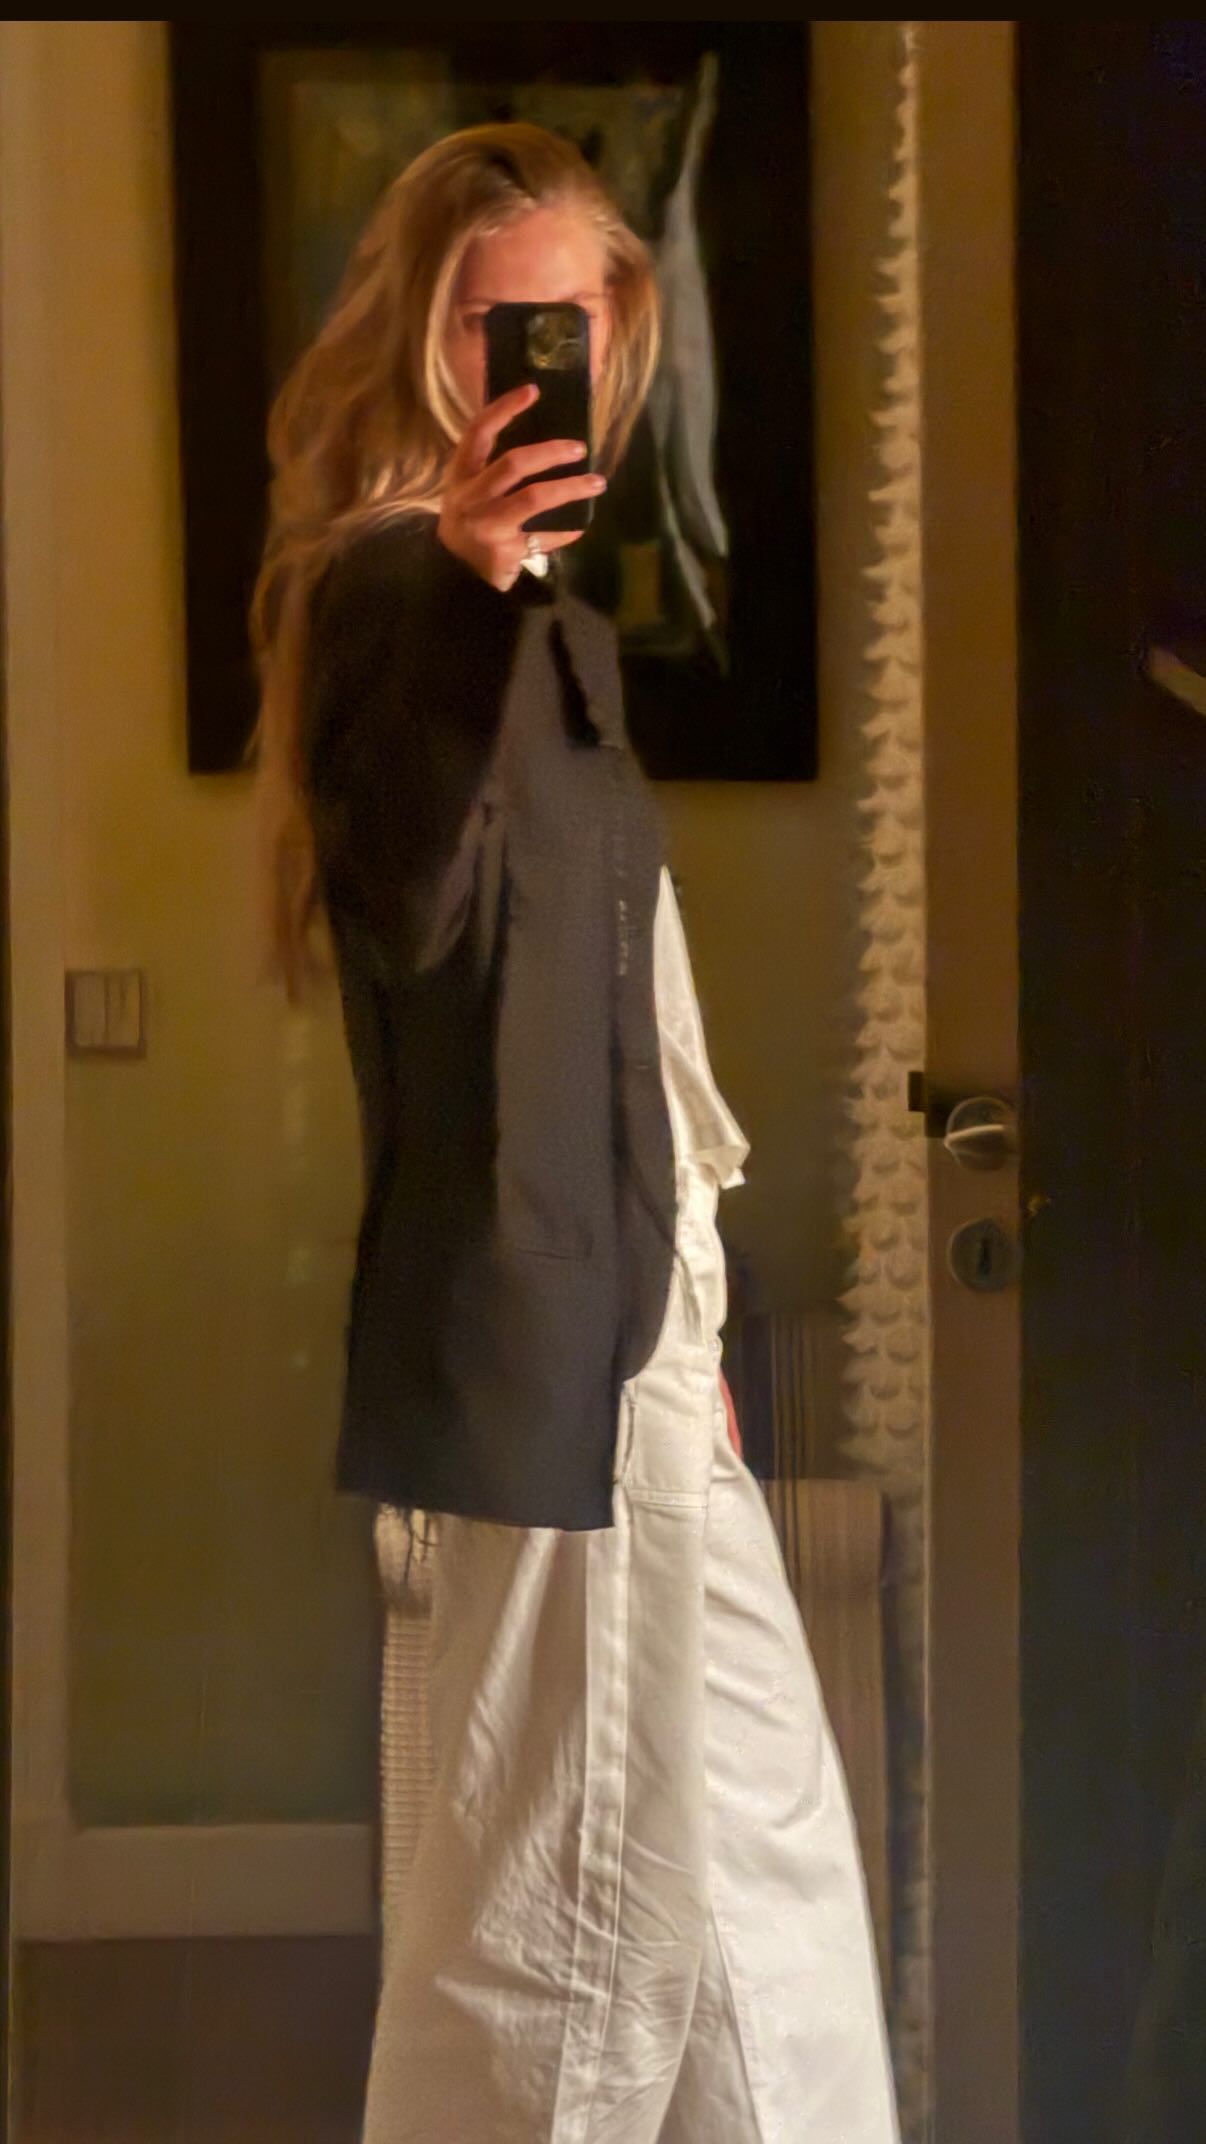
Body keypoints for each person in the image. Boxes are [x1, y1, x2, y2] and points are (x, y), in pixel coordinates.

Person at [252, 120, 899, 2144]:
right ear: (424, 336)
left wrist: (690, 1330)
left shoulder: (545, 617)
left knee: (765, 1875)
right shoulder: (394, 586)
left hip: (637, 1336)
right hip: (546, 1349)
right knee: (561, 1919)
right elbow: (403, 900)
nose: (529, 366)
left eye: (567, 328)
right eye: (489, 322)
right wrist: (462, 586)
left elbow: (629, 1008)